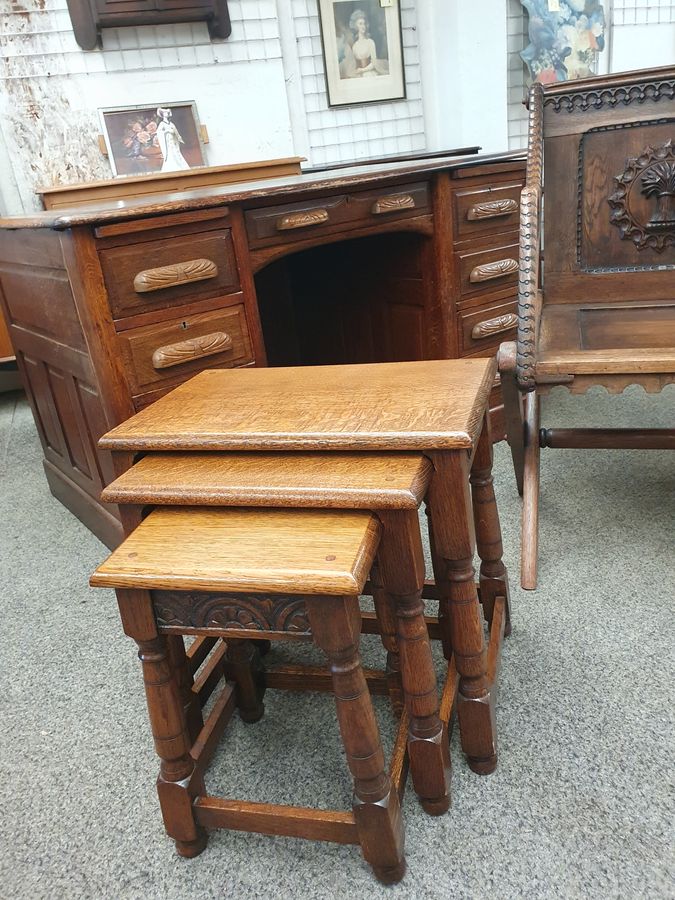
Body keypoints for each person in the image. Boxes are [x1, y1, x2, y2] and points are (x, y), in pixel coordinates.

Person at [339, 10, 389, 79]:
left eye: (364, 23)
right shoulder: (354, 46)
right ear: (356, 26)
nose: (363, 26)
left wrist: (362, 70)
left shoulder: (370, 42)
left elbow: (374, 63)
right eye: (360, 24)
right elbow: (354, 65)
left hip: (370, 73)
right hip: (359, 75)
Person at [155, 107, 189, 172]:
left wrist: (178, 138)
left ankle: (179, 166)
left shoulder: (171, 124)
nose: (166, 114)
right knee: (170, 153)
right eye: (165, 113)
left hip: (172, 141)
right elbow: (159, 132)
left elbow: (176, 132)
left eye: (167, 113)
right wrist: (166, 132)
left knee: (175, 152)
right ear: (162, 115)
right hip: (167, 142)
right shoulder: (162, 124)